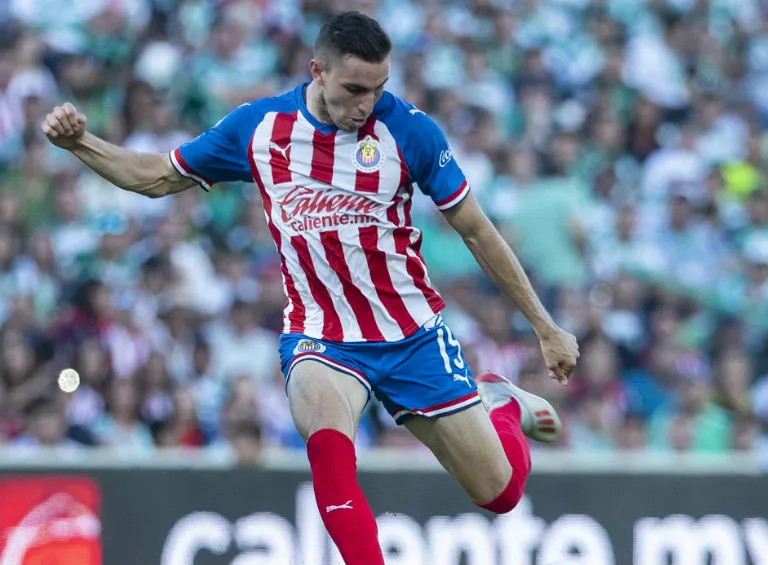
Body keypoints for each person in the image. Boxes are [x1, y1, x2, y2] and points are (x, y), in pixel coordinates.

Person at [41, 11, 578, 565]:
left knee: (502, 493)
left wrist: (546, 326)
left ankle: (500, 401)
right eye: (354, 89)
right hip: (320, 336)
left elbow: (477, 231)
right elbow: (156, 175)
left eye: (378, 89)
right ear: (316, 71)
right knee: (329, 455)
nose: (367, 104)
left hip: (411, 334)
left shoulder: (410, 132)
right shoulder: (260, 127)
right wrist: (82, 143)